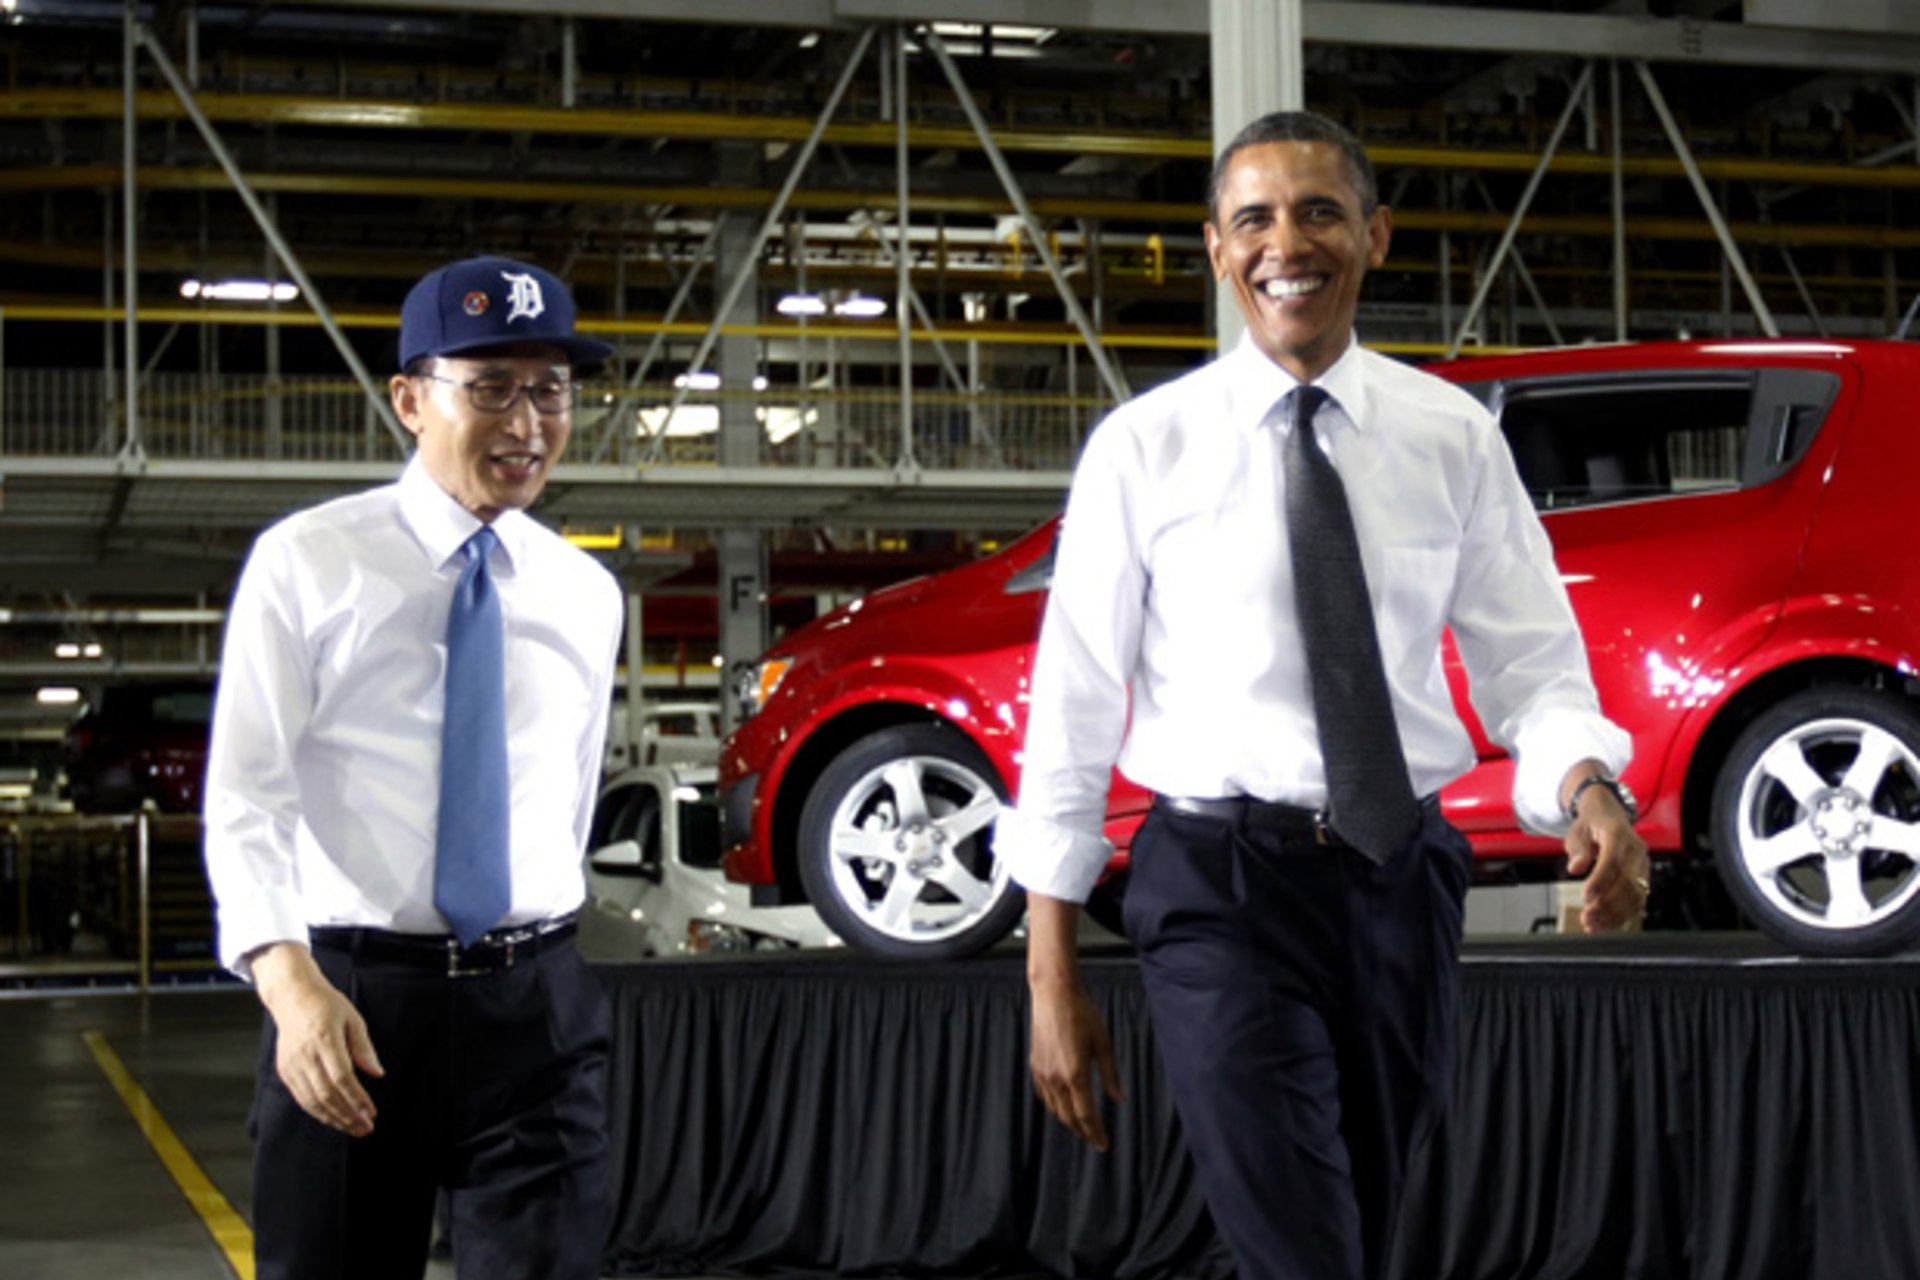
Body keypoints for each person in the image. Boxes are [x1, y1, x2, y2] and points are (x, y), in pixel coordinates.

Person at [996, 111, 1652, 1280]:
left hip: (1402, 880)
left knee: (1363, 1227)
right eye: (1253, 218)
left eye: (1318, 212)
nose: (1283, 243)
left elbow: (1532, 662)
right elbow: (1075, 707)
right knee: (1307, 1253)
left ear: (1376, 235)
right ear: (1215, 248)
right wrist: (1051, 973)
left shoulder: (1452, 437)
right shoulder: (1145, 449)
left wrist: (1589, 784)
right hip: (1218, 884)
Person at [203, 255, 623, 1280]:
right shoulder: (309, 560)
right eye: (491, 388)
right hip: (352, 1004)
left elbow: (564, 799)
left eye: (551, 389)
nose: (527, 420)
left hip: (539, 1011)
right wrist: (287, 981)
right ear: (410, 398)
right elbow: (246, 792)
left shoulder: (584, 590)